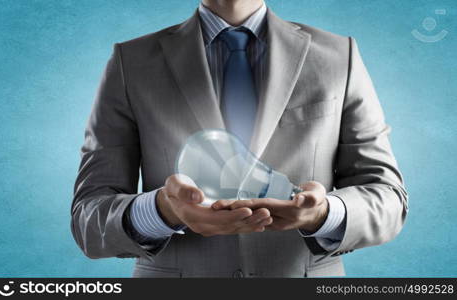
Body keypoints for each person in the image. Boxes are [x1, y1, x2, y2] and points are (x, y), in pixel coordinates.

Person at [71, 0, 408, 277]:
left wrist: (323, 214)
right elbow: (89, 218)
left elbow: (388, 198)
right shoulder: (132, 62)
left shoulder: (338, 56)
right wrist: (162, 211)